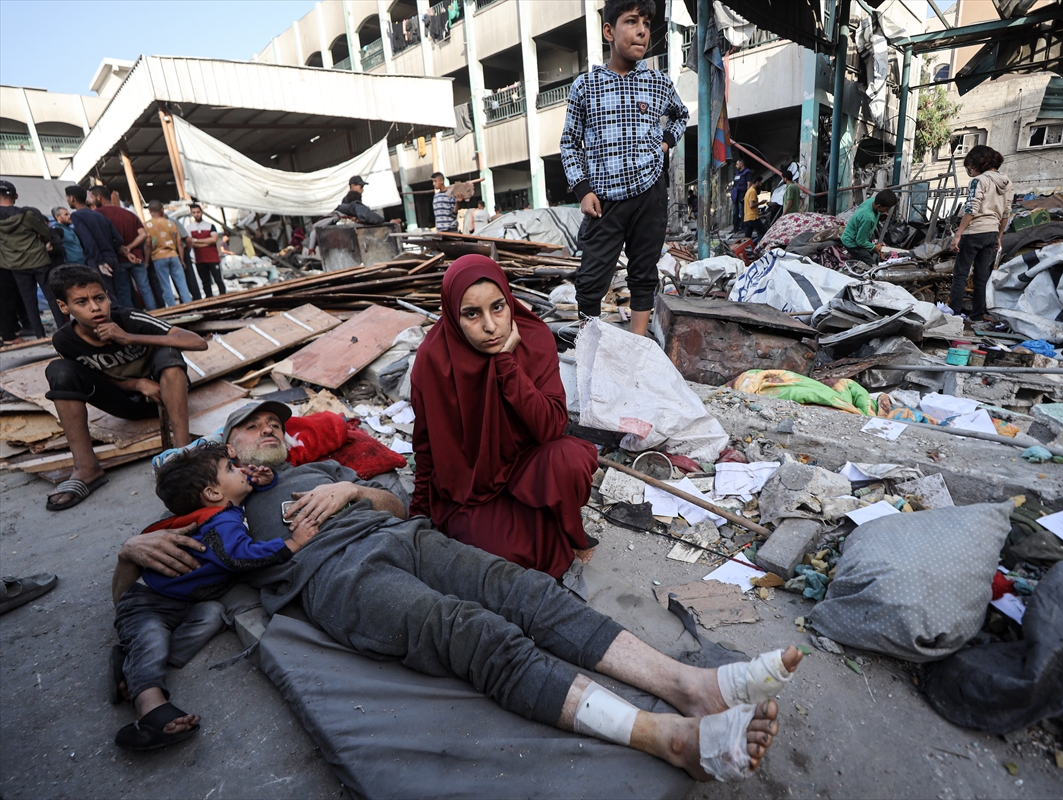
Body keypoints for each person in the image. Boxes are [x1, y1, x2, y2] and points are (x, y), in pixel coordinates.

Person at [114, 400, 797, 783]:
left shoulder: (319, 465)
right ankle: (666, 736)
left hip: (399, 539)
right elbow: (136, 581)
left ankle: (689, 685)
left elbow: (400, 508)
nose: (268, 436)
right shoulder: (206, 506)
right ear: (221, 456)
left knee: (526, 592)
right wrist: (128, 548)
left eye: (274, 429)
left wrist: (353, 488)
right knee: (470, 630)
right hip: (336, 579)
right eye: (252, 433)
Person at [111, 441, 317, 750]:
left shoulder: (224, 510)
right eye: (230, 469)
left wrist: (263, 480)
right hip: (147, 602)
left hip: (186, 602)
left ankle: (131, 663)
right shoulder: (219, 522)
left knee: (211, 616)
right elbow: (239, 556)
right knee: (151, 640)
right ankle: (149, 711)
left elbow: (245, 491)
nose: (241, 470)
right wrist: (291, 544)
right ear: (213, 494)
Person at [410, 256, 598, 578]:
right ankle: (543, 528)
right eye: (471, 314)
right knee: (499, 560)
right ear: (453, 317)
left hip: (526, 466)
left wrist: (507, 365)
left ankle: (562, 529)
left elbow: (551, 427)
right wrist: (418, 515)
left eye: (498, 307)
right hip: (471, 486)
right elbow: (427, 444)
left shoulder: (534, 339)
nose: (490, 326)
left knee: (568, 459)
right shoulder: (433, 361)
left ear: (510, 302)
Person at [559, 0, 688, 336]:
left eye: (646, 23)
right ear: (609, 31)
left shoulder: (658, 83)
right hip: (604, 200)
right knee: (591, 280)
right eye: (631, 21)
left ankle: (637, 346)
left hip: (650, 194)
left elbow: (681, 115)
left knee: (644, 273)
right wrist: (582, 190)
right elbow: (569, 143)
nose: (642, 30)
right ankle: (590, 343)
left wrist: (665, 140)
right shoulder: (585, 87)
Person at [42, 265, 208, 511]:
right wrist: (137, 383)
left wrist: (129, 338)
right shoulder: (65, 340)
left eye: (99, 298)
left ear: (108, 296)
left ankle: (182, 453)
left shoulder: (128, 319)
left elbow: (197, 342)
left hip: (166, 399)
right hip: (122, 401)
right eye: (81, 302)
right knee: (59, 371)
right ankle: (87, 468)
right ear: (64, 307)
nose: (95, 307)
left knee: (169, 351)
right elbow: (94, 377)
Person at [949, 145, 1013, 319]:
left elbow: (971, 208)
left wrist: (958, 234)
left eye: (970, 166)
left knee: (960, 275)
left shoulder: (979, 181)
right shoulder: (1006, 182)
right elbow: (1006, 213)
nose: (970, 171)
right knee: (982, 277)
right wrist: (999, 237)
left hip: (974, 232)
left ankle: (953, 314)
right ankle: (977, 315)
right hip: (992, 233)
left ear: (976, 163)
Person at [0, 180, 59, 339]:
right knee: (52, 297)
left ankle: (40, 336)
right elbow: (46, 233)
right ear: (16, 196)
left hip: (16, 265)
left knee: (29, 302)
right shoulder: (27, 215)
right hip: (39, 260)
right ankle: (63, 329)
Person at [91, 187, 152, 310]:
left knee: (124, 292)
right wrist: (130, 248)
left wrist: (123, 250)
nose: (91, 201)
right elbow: (143, 234)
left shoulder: (98, 215)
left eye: (92, 197)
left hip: (118, 259)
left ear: (99, 197)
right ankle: (157, 315)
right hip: (137, 257)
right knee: (145, 288)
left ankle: (132, 319)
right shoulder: (129, 213)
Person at [64, 185, 122, 298]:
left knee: (106, 294)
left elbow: (88, 240)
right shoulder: (98, 214)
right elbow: (118, 239)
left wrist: (100, 261)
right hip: (112, 257)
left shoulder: (77, 216)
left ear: (72, 198)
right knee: (118, 292)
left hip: (98, 260)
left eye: (67, 197)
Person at [144, 200, 193, 308]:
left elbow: (147, 245)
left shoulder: (148, 225)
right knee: (182, 284)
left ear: (150, 211)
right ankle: (190, 306)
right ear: (162, 210)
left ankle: (173, 308)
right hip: (174, 255)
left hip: (158, 257)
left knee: (165, 285)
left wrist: (146, 261)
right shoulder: (171, 223)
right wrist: (182, 259)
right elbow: (179, 243)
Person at [840, 188, 897, 265]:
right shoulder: (868, 218)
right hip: (852, 243)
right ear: (879, 206)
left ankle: (857, 259)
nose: (887, 211)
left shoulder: (872, 201)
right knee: (871, 265)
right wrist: (874, 247)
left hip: (858, 235)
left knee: (872, 252)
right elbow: (860, 241)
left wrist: (880, 215)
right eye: (886, 209)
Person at [185, 203, 225, 297]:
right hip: (200, 259)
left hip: (213, 258)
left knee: (218, 279)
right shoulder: (189, 228)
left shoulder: (210, 225)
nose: (196, 214)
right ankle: (209, 300)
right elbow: (190, 243)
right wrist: (206, 242)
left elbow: (214, 239)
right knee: (205, 282)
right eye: (194, 212)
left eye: (198, 212)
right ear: (191, 213)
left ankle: (224, 297)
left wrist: (196, 241)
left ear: (202, 212)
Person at [730, 159, 752, 232]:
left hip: (742, 193)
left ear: (741, 165)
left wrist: (747, 195)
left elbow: (749, 184)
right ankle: (735, 228)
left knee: (742, 211)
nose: (736, 166)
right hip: (735, 194)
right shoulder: (737, 173)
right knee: (735, 212)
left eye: (737, 164)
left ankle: (743, 227)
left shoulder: (747, 173)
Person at [742, 177, 765, 242]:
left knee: (747, 239)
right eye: (760, 182)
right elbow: (751, 205)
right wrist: (761, 202)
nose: (761, 184)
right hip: (753, 217)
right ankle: (756, 244)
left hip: (747, 218)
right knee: (764, 233)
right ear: (757, 182)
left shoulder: (749, 190)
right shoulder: (753, 191)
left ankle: (749, 248)